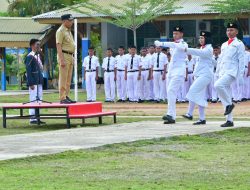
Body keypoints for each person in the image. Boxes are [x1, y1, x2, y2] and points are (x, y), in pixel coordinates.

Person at [155, 26, 188, 124]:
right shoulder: (173, 45)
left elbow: (178, 46)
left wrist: (162, 43)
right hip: (171, 71)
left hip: (179, 72)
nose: (175, 35)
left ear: (181, 34)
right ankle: (171, 115)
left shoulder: (183, 44)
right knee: (169, 93)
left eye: (177, 33)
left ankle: (171, 114)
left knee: (171, 91)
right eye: (173, 33)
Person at [214, 22, 245, 127]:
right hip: (223, 71)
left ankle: (229, 104)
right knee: (225, 95)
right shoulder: (224, 44)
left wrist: (240, 75)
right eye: (227, 30)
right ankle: (229, 120)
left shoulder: (239, 44)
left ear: (236, 32)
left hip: (232, 72)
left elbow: (242, 60)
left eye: (231, 30)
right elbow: (220, 60)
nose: (229, 32)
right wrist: (217, 72)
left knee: (218, 85)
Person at [181, 31, 214, 125]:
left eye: (202, 38)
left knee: (192, 91)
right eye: (200, 38)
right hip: (199, 75)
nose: (200, 39)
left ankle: (190, 113)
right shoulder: (202, 48)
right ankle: (202, 118)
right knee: (199, 95)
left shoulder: (208, 49)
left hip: (205, 75)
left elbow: (198, 52)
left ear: (207, 39)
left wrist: (187, 49)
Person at [56, 14, 76, 104]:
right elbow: (58, 45)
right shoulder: (60, 31)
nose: (71, 22)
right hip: (64, 55)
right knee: (63, 78)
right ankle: (62, 97)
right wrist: (61, 59)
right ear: (64, 21)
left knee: (68, 79)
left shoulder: (68, 31)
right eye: (70, 20)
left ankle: (66, 95)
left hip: (70, 56)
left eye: (71, 20)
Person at [25, 39, 45, 125]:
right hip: (33, 82)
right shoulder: (30, 56)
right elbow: (28, 71)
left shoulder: (37, 56)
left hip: (39, 80)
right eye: (37, 45)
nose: (39, 46)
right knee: (33, 99)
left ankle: (38, 117)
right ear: (32, 46)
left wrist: (41, 53)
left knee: (39, 99)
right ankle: (32, 118)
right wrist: (30, 83)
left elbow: (41, 67)